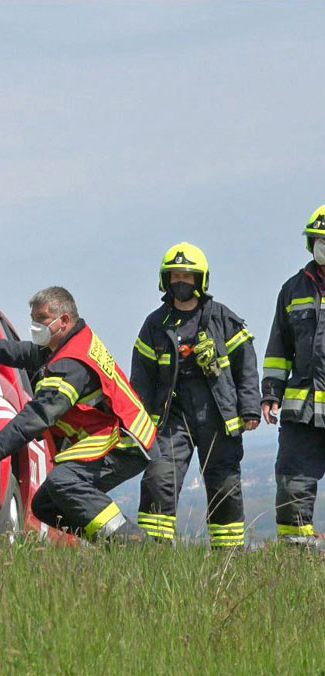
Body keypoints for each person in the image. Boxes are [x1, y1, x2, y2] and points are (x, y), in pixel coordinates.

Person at [0, 286, 156, 544]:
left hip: (124, 440)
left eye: (41, 319)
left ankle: (132, 544)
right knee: (45, 505)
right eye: (33, 319)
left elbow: (38, 416)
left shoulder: (71, 365)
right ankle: (111, 543)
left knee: (63, 482)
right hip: (117, 433)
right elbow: (29, 354)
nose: (35, 326)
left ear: (64, 320)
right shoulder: (69, 343)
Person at [131, 243, 260, 549]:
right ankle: (155, 550)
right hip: (171, 415)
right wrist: (137, 422)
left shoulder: (222, 319)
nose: (181, 282)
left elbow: (246, 366)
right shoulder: (154, 324)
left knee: (224, 483)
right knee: (159, 476)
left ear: (200, 280)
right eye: (175, 275)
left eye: (188, 277)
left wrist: (251, 408)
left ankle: (228, 557)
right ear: (165, 279)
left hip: (217, 412)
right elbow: (141, 378)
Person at [262, 205, 325, 550]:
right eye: (319, 240)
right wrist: (271, 392)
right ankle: (296, 556)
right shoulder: (292, 290)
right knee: (292, 484)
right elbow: (278, 349)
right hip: (301, 412)